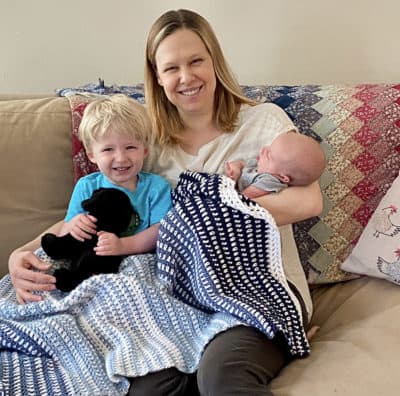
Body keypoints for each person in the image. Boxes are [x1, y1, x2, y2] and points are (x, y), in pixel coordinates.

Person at [8, 9, 322, 396]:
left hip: (257, 289)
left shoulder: (263, 122)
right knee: (146, 382)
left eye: (196, 61)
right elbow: (91, 216)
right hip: (177, 298)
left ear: (215, 61)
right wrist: (21, 254)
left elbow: (310, 201)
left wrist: (212, 212)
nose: (186, 77)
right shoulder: (145, 142)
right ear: (157, 77)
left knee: (221, 378)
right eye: (171, 68)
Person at [53, 94, 171, 265]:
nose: (121, 158)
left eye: (130, 147)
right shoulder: (86, 186)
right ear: (92, 155)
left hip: (141, 260)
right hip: (94, 260)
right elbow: (65, 231)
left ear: (145, 150)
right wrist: (74, 226)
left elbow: (161, 231)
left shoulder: (157, 187)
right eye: (108, 149)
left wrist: (123, 245)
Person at [225, 131, 325, 199]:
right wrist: (235, 170)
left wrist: (231, 183)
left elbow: (243, 199)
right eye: (270, 146)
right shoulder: (261, 165)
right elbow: (242, 163)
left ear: (282, 177)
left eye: (269, 155)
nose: (264, 149)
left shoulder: (269, 181)